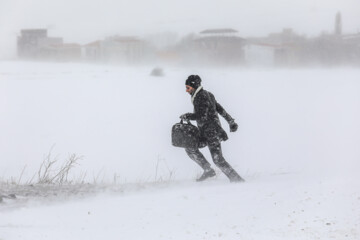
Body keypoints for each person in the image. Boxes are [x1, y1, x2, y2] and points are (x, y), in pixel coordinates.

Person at [180, 75, 245, 182]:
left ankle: (237, 180)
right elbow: (220, 109)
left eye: (188, 88)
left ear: (194, 86)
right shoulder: (208, 94)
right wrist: (231, 121)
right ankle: (208, 170)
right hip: (204, 132)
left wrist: (188, 116)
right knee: (190, 148)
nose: (186, 91)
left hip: (212, 133)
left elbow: (202, 116)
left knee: (218, 160)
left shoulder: (201, 97)